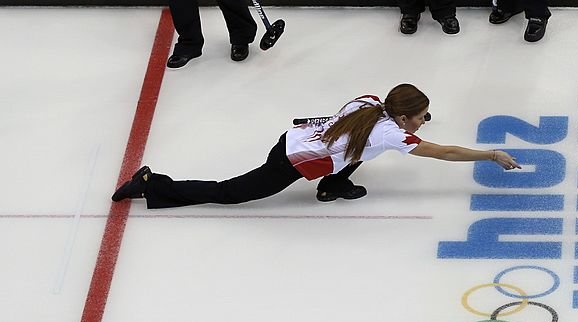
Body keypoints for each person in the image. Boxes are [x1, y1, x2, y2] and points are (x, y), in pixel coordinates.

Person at [111, 84, 521, 208]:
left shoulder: (368, 105)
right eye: (421, 116)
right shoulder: (388, 134)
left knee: (357, 155)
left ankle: (332, 185)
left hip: (294, 139)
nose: (424, 122)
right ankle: (151, 183)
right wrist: (489, 154)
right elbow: (445, 152)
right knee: (230, 193)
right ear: (402, 118)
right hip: (292, 159)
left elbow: (360, 133)